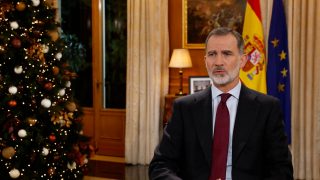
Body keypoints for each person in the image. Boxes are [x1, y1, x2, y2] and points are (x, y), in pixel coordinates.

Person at [149, 27, 293, 180]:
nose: (218, 62)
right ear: (205, 61)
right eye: (212, 54)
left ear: (243, 60)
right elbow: (160, 165)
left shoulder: (267, 108)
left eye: (227, 53)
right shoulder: (184, 108)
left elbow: (282, 170)